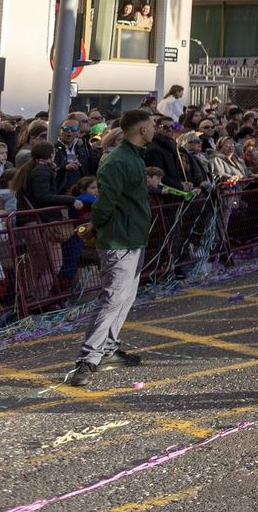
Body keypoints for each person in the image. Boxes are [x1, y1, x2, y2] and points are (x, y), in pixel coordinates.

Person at [64, 109, 154, 387]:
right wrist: (95, 224)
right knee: (113, 298)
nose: (154, 129)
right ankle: (87, 360)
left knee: (124, 298)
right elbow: (105, 203)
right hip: (119, 239)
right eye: (151, 125)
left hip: (132, 237)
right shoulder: (119, 161)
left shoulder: (132, 157)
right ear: (141, 130)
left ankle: (108, 350)